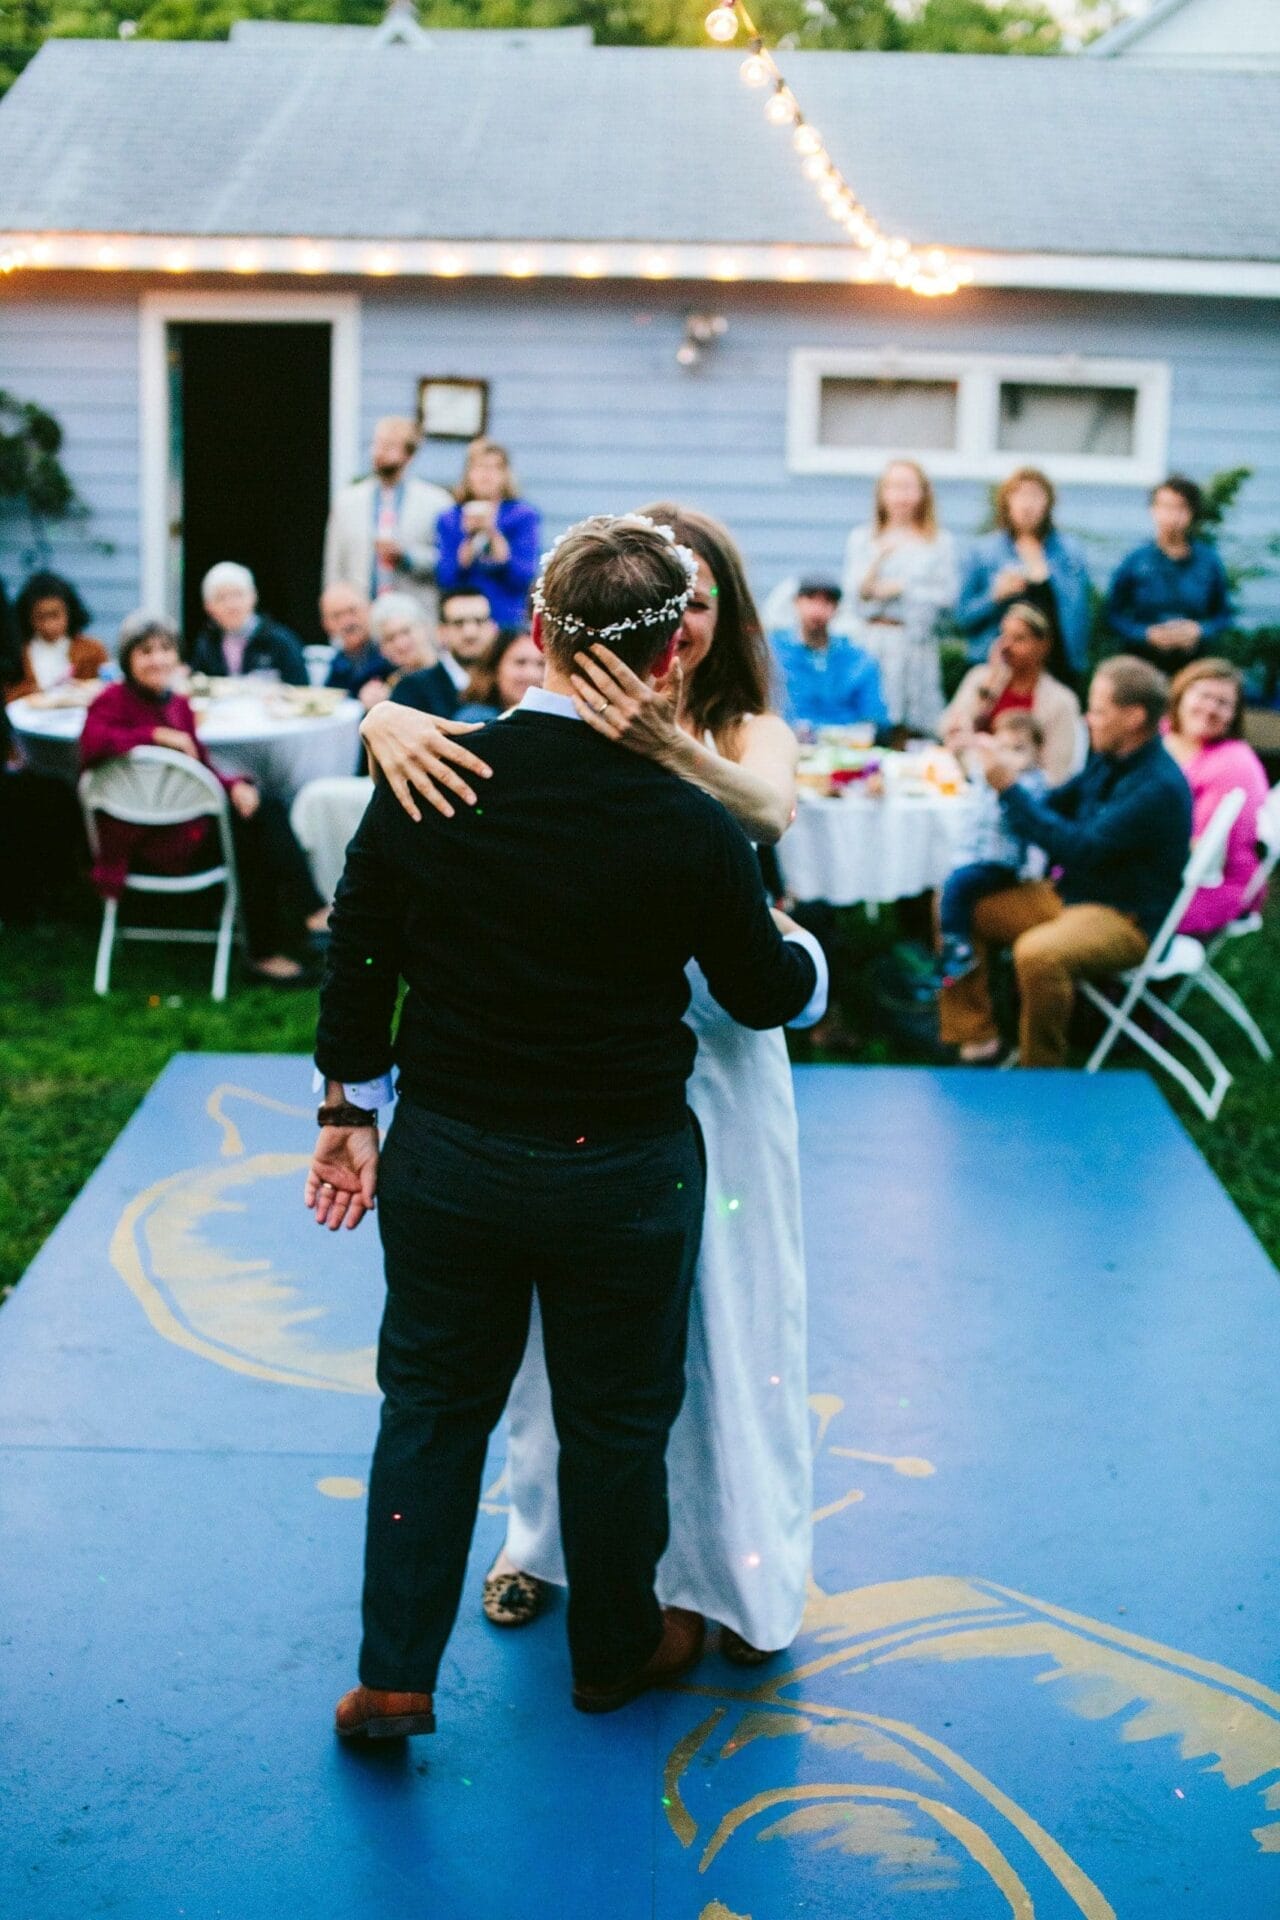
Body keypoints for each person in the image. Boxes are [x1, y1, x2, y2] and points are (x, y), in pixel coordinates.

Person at [309, 513, 822, 1741]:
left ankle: (393, 1676)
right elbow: (763, 994)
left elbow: (359, 948)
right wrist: (805, 963)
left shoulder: (433, 774)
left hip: (450, 1155)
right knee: (614, 1421)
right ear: (665, 664)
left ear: (534, 635)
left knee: (429, 1411)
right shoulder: (688, 817)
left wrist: (346, 1106)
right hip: (625, 1172)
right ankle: (610, 1656)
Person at [938, 656, 1192, 1066]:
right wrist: (1004, 772)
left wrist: (1009, 790)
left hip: (1124, 917)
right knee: (956, 899)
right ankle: (977, 1036)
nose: (1089, 719)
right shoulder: (1109, 758)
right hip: (1071, 894)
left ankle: (1042, 1076)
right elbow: (1055, 806)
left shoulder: (1156, 787)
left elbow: (1079, 848)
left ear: (1134, 717)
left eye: (1098, 711)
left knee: (1038, 953)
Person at [81, 614, 326, 982]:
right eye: (145, 651)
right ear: (128, 659)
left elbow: (200, 768)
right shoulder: (111, 702)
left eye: (165, 649)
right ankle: (279, 940)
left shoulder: (179, 705)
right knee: (251, 834)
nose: (157, 659)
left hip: (186, 824)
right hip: (145, 840)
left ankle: (299, 923)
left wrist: (233, 786)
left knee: (261, 804)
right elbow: (92, 744)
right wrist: (156, 735)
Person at [838, 459, 957, 732]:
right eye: (893, 487)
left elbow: (946, 597)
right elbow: (852, 596)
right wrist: (872, 577)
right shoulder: (862, 538)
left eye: (908, 487)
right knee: (865, 719)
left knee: (907, 726)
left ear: (923, 493)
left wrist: (901, 589)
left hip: (911, 645)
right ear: (881, 493)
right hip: (869, 641)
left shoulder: (938, 542)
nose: (901, 496)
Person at [935, 711, 1049, 987]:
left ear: (1038, 753)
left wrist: (1008, 788)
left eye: (1019, 749)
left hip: (1002, 863)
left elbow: (1035, 828)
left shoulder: (1031, 784)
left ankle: (958, 946)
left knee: (956, 887)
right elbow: (970, 773)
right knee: (948, 883)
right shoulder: (988, 774)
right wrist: (961, 750)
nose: (1010, 756)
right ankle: (954, 951)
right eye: (1003, 749)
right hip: (979, 857)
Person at [1163, 658, 1269, 937]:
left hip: (1208, 884)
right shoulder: (1159, 733)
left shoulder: (1232, 765)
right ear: (1181, 693)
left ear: (1235, 715)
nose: (1210, 708)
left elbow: (1201, 850)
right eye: (1204, 695)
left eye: (1223, 703)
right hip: (1155, 866)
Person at [955, 467, 1092, 675]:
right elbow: (962, 618)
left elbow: (1081, 613)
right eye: (1019, 495)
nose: (1027, 504)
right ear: (1006, 502)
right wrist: (994, 597)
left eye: (1036, 495)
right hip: (996, 665)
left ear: (1049, 503)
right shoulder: (983, 552)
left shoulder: (1069, 553)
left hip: (1054, 667)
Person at [323, 415, 453, 622]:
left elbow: (448, 562)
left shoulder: (436, 502)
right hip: (361, 617)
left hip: (415, 616)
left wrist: (407, 557)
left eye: (390, 445)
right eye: (377, 443)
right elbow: (335, 565)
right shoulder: (347, 502)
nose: (379, 451)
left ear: (409, 454)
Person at [941, 602, 1084, 787]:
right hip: (968, 781)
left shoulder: (1061, 701)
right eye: (1004, 636)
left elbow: (1058, 774)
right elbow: (948, 729)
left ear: (1043, 645)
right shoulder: (980, 678)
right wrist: (989, 685)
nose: (1006, 646)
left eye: (1018, 639)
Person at [1104, 475, 1234, 671]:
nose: (1171, 515)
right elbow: (1112, 614)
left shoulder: (1208, 562)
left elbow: (1223, 615)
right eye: (1165, 506)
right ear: (1153, 510)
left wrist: (1199, 631)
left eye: (1179, 507)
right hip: (1143, 663)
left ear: (1191, 512)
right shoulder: (1136, 561)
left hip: (1193, 664)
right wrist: (1145, 634)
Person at [435, 439, 541, 630]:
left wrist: (492, 532)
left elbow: (523, 577)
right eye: (479, 468)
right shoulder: (449, 519)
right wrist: (468, 537)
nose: (486, 475)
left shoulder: (523, 516)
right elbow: (446, 578)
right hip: (463, 621)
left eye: (494, 468)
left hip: (505, 619)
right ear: (468, 474)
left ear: (505, 475)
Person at [770, 576, 887, 732]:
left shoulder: (858, 660)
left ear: (837, 608)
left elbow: (874, 715)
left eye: (827, 602)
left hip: (844, 744)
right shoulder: (774, 651)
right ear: (796, 602)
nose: (817, 610)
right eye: (811, 599)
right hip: (786, 740)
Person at [187, 563, 308, 686]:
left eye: (238, 594)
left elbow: (302, 690)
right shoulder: (207, 644)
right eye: (221, 598)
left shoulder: (281, 641)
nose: (231, 605)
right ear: (208, 606)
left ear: (253, 596)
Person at [389, 589, 499, 720]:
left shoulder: (506, 684)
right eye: (459, 623)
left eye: (479, 621)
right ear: (441, 632)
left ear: (493, 628)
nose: (470, 632)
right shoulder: (412, 689)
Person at [4, 571, 107, 702]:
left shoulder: (92, 650)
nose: (49, 625)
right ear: (28, 617)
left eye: (55, 615)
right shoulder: (17, 653)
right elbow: (7, 695)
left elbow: (108, 691)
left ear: (70, 611)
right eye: (40, 617)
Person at [454, 628, 544, 723]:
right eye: (520, 662)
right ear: (495, 668)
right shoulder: (474, 721)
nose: (532, 674)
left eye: (541, 664)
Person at [320, 583, 389, 702]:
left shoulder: (391, 651)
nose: (347, 622)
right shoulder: (338, 662)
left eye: (352, 611)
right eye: (337, 616)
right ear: (326, 624)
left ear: (369, 608)